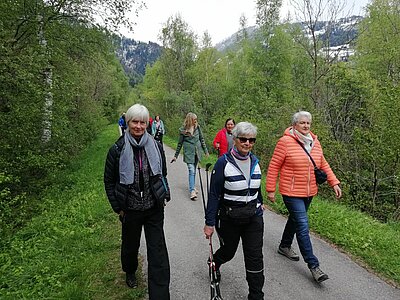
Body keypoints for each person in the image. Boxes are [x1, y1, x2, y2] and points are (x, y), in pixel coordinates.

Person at [265, 111, 342, 283]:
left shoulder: (315, 142)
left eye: (308, 123)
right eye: (302, 123)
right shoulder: (285, 142)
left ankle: (284, 246)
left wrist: (334, 182)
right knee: (302, 225)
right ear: (294, 125)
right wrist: (271, 189)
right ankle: (314, 265)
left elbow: (323, 163)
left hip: (309, 191)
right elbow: (274, 166)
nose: (306, 126)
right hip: (291, 192)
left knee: (295, 220)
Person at [104, 104, 171, 299]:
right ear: (128, 122)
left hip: (153, 208)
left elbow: (162, 174)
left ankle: (159, 295)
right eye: (135, 122)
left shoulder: (156, 146)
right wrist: (118, 208)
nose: (139, 126)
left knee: (158, 253)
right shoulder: (117, 149)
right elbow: (109, 181)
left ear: (147, 123)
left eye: (143, 122)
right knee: (130, 246)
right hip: (130, 209)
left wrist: (163, 196)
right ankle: (130, 270)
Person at [204, 122, 265, 300]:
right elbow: (214, 195)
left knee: (255, 257)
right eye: (243, 139)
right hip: (229, 218)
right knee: (228, 251)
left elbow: (255, 187)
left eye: (251, 140)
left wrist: (259, 202)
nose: (247, 143)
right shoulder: (223, 163)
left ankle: (256, 295)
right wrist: (209, 223)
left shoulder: (255, 161)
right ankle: (214, 262)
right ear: (235, 139)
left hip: (253, 218)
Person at [170, 112, 209, 200]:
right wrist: (175, 156)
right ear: (190, 120)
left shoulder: (197, 128)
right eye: (194, 119)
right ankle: (192, 191)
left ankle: (193, 186)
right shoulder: (183, 130)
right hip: (189, 153)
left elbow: (201, 139)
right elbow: (179, 144)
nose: (196, 121)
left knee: (194, 170)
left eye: (196, 119)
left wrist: (205, 151)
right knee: (191, 170)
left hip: (197, 152)